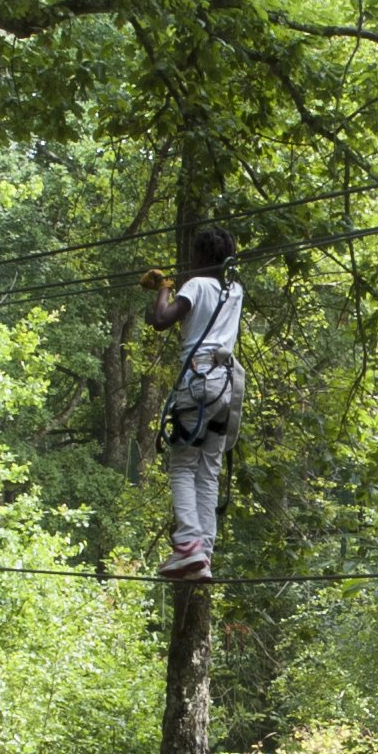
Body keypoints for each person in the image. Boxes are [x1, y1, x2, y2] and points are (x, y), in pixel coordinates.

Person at [142, 225, 244, 581]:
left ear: (199, 257)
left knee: (183, 466)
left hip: (198, 383)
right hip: (226, 388)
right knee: (209, 469)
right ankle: (205, 550)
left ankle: (188, 547)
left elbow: (160, 320)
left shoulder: (196, 286)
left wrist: (166, 287)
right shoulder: (235, 291)